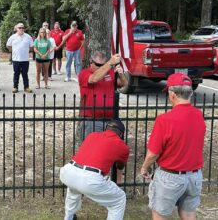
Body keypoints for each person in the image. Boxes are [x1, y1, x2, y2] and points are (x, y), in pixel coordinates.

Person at [140, 73, 205, 220]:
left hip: (170, 177)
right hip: (194, 176)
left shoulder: (165, 120)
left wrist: (144, 168)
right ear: (190, 93)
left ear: (172, 94)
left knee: (160, 214)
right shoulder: (198, 115)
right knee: (189, 214)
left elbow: (153, 153)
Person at [60, 119, 129, 220]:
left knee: (73, 189)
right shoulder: (122, 146)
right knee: (119, 199)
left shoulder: (92, 135)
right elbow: (120, 166)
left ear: (106, 128)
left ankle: (68, 217)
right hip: (90, 179)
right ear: (121, 134)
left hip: (68, 172)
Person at [79, 51, 127, 140]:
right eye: (98, 64)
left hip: (110, 121)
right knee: (92, 148)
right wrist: (109, 63)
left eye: (103, 65)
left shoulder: (110, 72)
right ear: (91, 62)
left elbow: (123, 84)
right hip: (93, 121)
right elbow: (94, 79)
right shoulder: (84, 73)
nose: (101, 67)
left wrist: (121, 74)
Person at [6, 22, 34, 93]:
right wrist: (13, 51)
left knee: (25, 74)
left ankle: (26, 87)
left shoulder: (28, 36)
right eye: (19, 28)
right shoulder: (12, 37)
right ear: (16, 29)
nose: (21, 29)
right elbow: (8, 45)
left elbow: (31, 47)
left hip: (25, 59)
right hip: (16, 59)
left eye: (22, 27)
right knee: (16, 73)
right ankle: (15, 87)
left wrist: (25, 51)